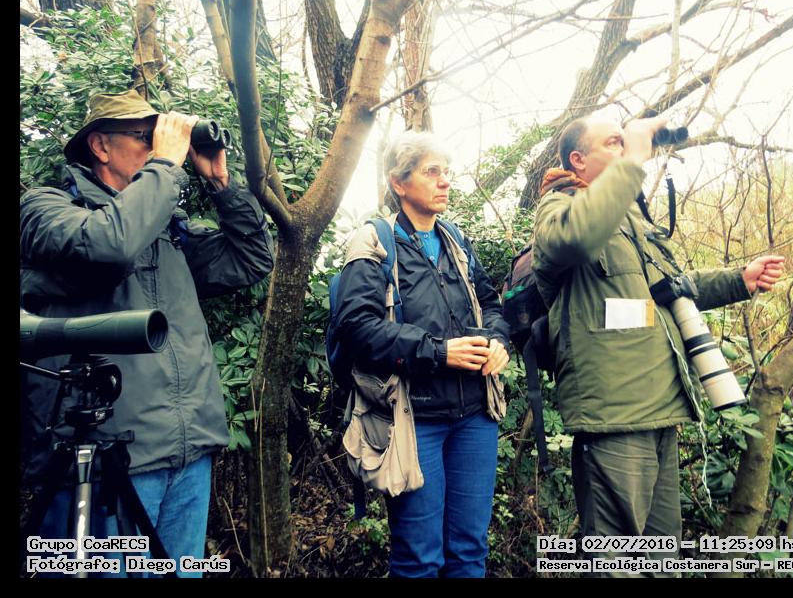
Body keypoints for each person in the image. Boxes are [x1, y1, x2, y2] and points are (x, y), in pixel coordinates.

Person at [20, 89, 275, 576]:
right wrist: (165, 167)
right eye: (145, 137)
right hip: (104, 462)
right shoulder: (46, 208)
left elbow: (251, 259)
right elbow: (109, 245)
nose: (158, 146)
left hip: (186, 450)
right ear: (100, 146)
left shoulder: (166, 229)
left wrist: (220, 184)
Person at [532, 114, 784, 577]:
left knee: (658, 559)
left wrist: (738, 280)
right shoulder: (559, 208)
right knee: (614, 562)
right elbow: (577, 238)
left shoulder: (630, 217)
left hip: (661, 406)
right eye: (613, 142)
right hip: (614, 414)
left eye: (623, 141)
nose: (624, 147)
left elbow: (670, 288)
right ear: (578, 160)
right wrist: (633, 157)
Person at [334, 131, 511, 577]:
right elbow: (358, 329)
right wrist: (438, 353)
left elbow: (491, 304)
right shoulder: (375, 242)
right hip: (414, 420)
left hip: (475, 416)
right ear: (399, 182)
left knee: (470, 550)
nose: (445, 181)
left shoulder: (456, 241)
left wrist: (498, 342)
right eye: (432, 172)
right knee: (419, 558)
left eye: (447, 172)